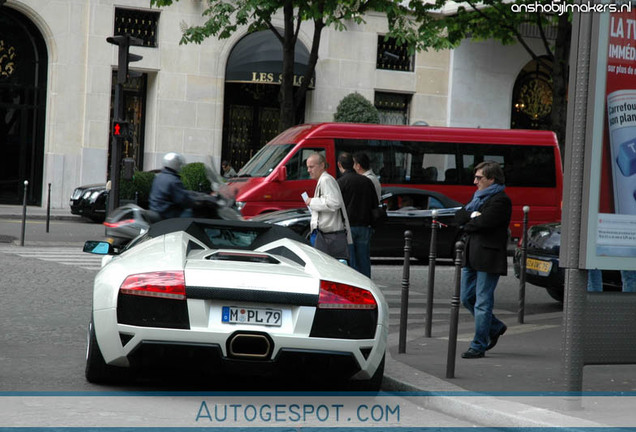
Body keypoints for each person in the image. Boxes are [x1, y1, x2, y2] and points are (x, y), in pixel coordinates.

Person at [455, 161, 511, 359]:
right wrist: (471, 217)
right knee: (466, 298)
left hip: (488, 257)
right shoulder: (477, 198)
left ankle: (478, 345)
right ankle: (494, 326)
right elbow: (459, 217)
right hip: (471, 255)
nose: (475, 181)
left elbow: (483, 223)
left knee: (482, 302)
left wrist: (470, 221)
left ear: (491, 179)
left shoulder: (500, 200)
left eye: (479, 178)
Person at [337, 152, 379, 278]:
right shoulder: (367, 182)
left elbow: (336, 205)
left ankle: (355, 286)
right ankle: (366, 284)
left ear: (339, 165)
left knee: (351, 260)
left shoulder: (340, 182)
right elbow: (374, 204)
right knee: (363, 259)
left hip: (348, 226)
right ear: (352, 164)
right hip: (364, 225)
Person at [304, 153, 352, 261]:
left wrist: (312, 201)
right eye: (307, 167)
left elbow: (334, 203)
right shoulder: (324, 179)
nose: (308, 170)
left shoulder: (326, 180)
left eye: (311, 167)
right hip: (326, 235)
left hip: (328, 236)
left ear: (322, 165)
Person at [149, 152, 195, 220]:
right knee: (191, 214)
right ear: (175, 164)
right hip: (167, 213)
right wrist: (196, 203)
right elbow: (183, 200)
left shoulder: (159, 176)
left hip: (156, 209)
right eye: (179, 164)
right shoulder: (173, 180)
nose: (180, 166)